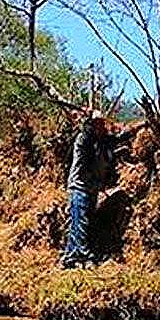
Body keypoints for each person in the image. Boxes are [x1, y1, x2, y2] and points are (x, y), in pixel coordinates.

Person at [61, 110, 132, 269]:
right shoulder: (84, 140)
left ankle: (70, 257)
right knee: (80, 221)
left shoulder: (103, 141)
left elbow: (119, 138)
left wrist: (139, 126)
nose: (101, 126)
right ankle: (84, 257)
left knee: (80, 223)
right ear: (91, 125)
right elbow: (87, 162)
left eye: (102, 123)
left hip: (91, 189)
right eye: (97, 123)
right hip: (80, 187)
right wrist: (87, 116)